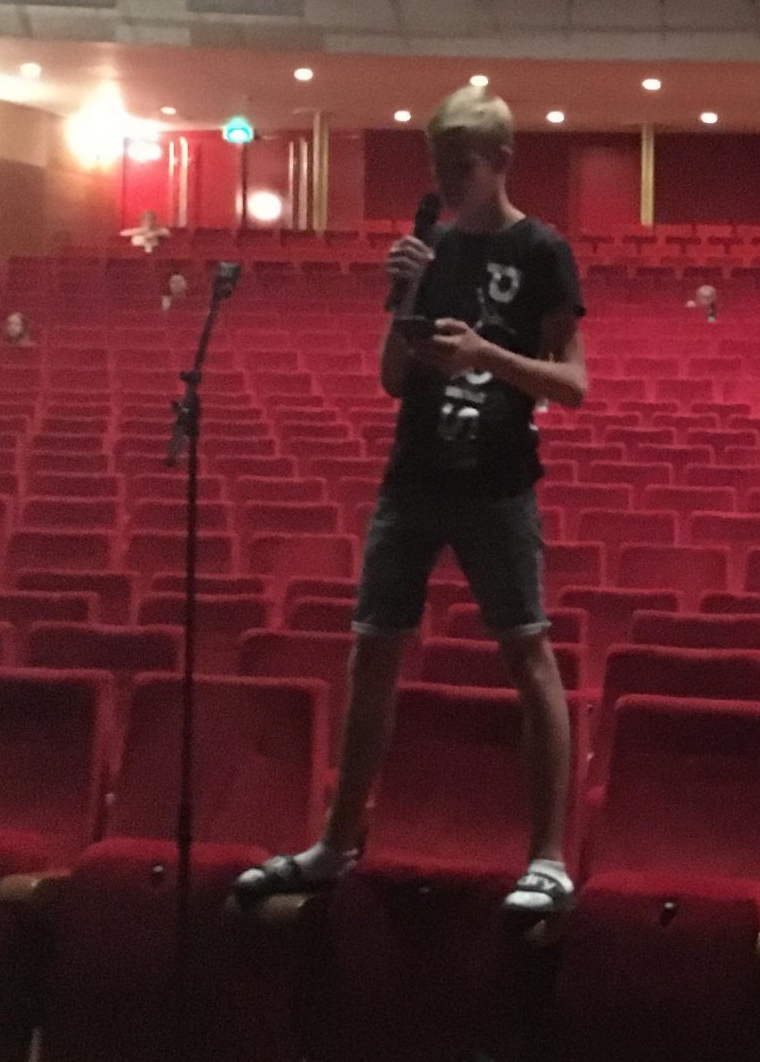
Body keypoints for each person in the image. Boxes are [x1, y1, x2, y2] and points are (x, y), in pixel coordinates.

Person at [235, 86, 586, 920]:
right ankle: (336, 842)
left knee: (527, 655)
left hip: (497, 482)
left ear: (500, 159)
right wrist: (406, 298)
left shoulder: (543, 249)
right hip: (412, 479)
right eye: (436, 165)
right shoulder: (431, 248)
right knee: (373, 654)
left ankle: (547, 858)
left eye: (459, 166)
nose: (445, 181)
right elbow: (394, 379)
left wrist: (485, 355)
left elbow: (572, 384)